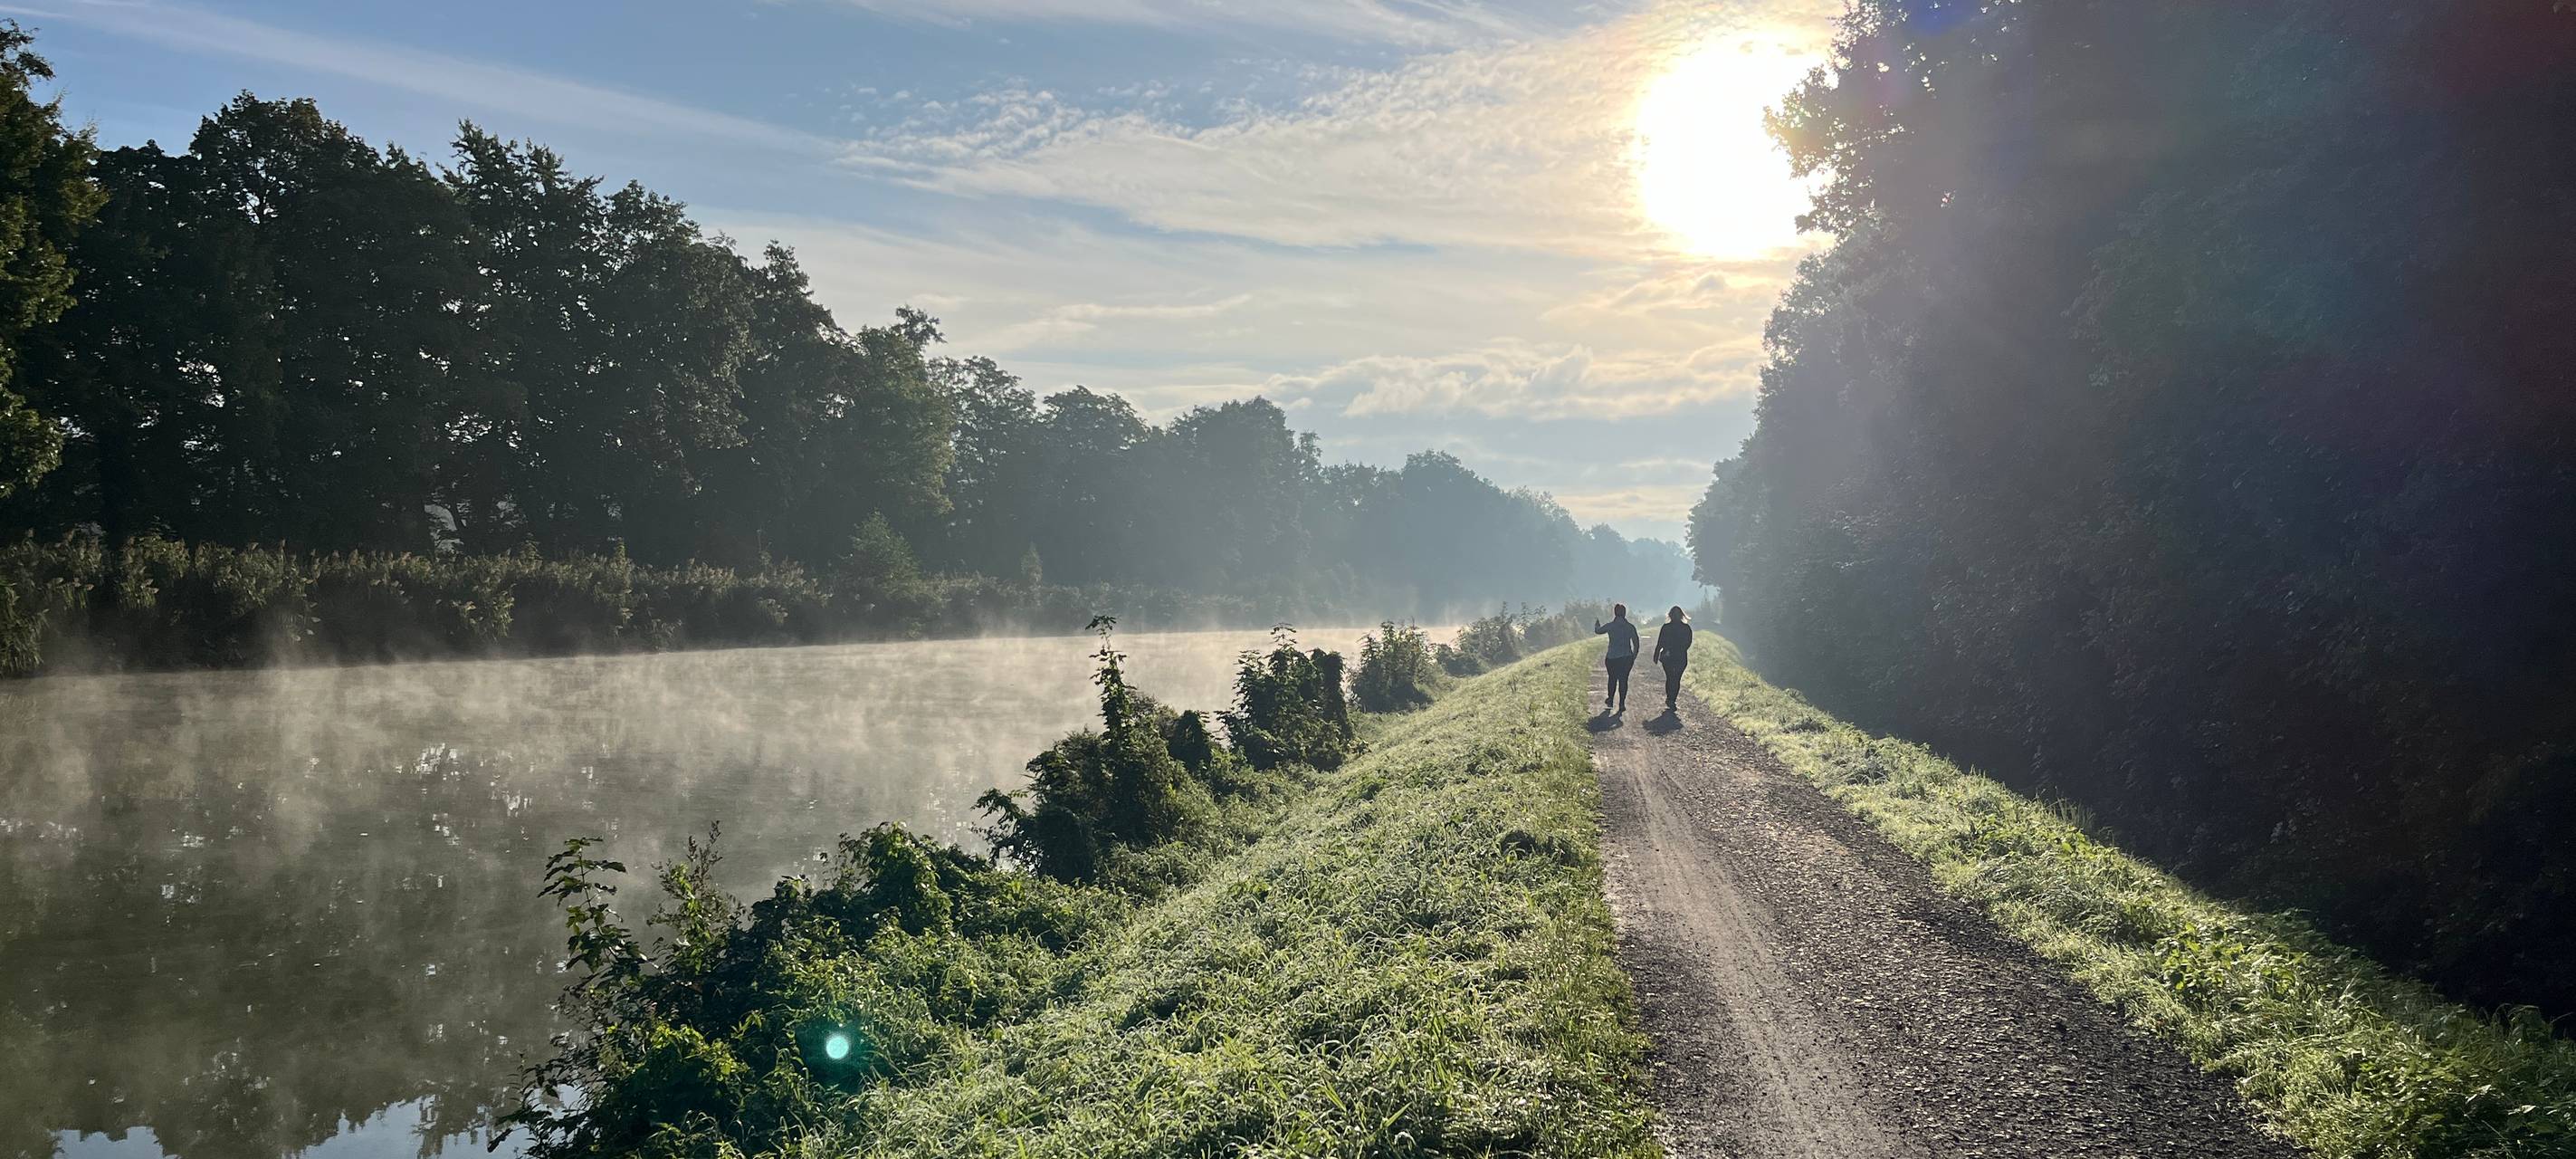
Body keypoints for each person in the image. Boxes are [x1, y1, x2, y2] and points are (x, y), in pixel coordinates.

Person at [1594, 603, 1638, 713]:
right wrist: (1633, 656)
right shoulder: (1630, 627)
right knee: (1624, 680)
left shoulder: (1610, 626)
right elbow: (1636, 643)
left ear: (1615, 613)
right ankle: (1622, 703)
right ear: (1625, 613)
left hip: (1612, 657)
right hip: (1626, 657)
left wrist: (1596, 625)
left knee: (1612, 679)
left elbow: (1598, 631)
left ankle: (1610, 700)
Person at [1653, 605, 1693, 713]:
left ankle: (1670, 698)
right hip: (1680, 656)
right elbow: (1688, 643)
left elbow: (1660, 642)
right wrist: (1680, 649)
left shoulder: (1666, 627)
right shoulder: (1686, 628)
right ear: (1681, 616)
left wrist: (1657, 654)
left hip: (1668, 655)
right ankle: (1672, 699)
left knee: (1670, 677)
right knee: (1676, 678)